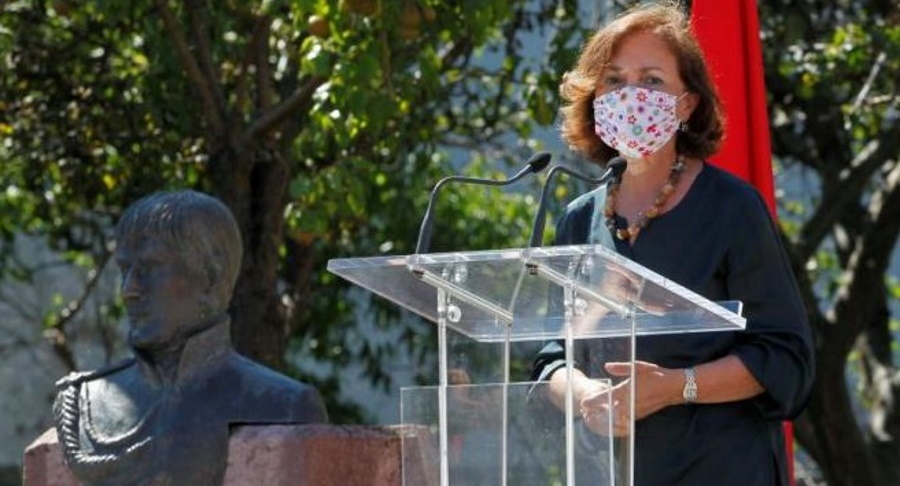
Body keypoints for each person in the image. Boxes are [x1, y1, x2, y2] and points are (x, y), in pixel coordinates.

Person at [530, 3, 814, 485]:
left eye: (652, 81)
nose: (630, 96)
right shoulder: (579, 220)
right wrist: (582, 394)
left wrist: (675, 387)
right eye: (614, 80)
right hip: (615, 471)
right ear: (594, 97)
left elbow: (785, 358)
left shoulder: (732, 208)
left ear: (686, 105)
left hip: (721, 469)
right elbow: (554, 356)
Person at [52, 190, 328, 485]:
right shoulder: (85, 404)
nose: (128, 289)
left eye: (149, 268)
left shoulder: (285, 405)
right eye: (125, 269)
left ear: (210, 276)